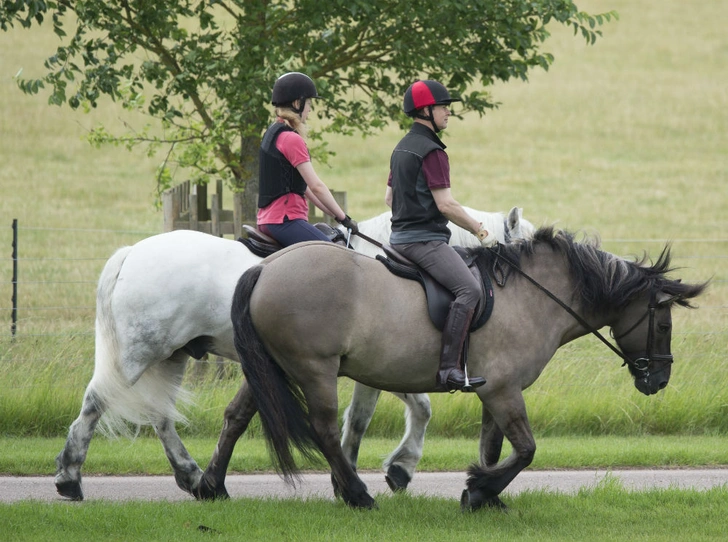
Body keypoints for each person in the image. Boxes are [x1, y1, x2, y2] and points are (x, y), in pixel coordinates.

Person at [385, 79, 497, 392]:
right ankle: (449, 370)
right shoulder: (433, 152)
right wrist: (480, 229)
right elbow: (445, 204)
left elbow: (389, 199)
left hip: (398, 240)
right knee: (470, 289)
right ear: (425, 110)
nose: (449, 112)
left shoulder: (402, 147)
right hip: (424, 242)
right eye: (444, 106)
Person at [257, 72, 358, 246]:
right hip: (285, 220)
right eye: (309, 103)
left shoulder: (273, 132)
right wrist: (345, 218)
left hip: (267, 220)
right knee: (334, 255)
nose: (310, 109)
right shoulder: (292, 139)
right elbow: (316, 187)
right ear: (298, 103)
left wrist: (339, 218)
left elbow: (305, 190)